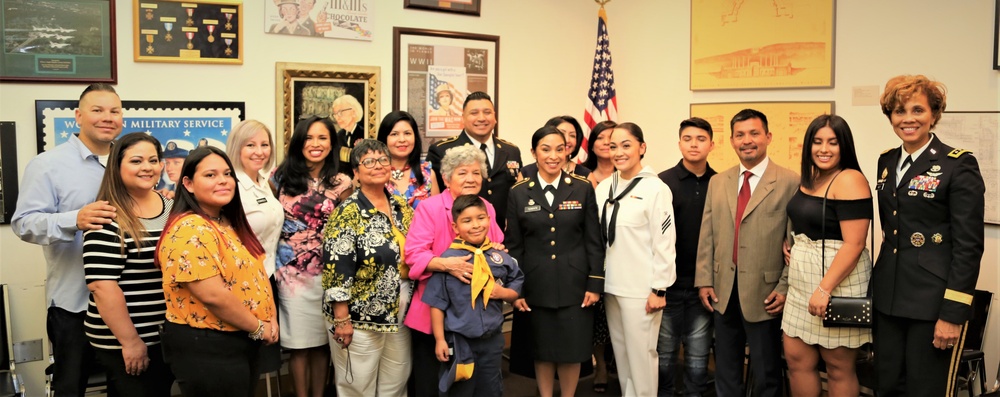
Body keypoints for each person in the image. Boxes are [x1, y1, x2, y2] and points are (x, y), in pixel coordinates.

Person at [872, 75, 985, 397]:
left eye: (917, 110)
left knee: (925, 390)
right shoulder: (886, 161)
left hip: (930, 303)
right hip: (888, 298)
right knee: (887, 385)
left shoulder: (957, 165)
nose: (908, 119)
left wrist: (952, 314)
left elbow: (968, 247)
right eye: (899, 111)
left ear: (934, 114)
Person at [12, 83, 122, 397]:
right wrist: (74, 219)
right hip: (74, 304)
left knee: (128, 385)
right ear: (78, 116)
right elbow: (23, 223)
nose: (107, 117)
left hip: (125, 302)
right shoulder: (48, 165)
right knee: (70, 387)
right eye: (97, 110)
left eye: (114, 111)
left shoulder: (130, 163)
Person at [155, 146, 278, 397]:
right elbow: (213, 295)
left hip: (241, 339)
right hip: (209, 345)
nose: (222, 180)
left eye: (227, 174)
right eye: (210, 175)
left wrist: (270, 318)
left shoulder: (226, 222)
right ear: (188, 184)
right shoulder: (190, 228)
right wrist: (258, 327)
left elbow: (258, 274)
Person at [695, 109, 799, 397]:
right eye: (740, 135)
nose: (747, 140)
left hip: (766, 292)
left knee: (766, 373)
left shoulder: (789, 181)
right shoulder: (719, 182)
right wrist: (704, 279)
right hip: (723, 291)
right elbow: (708, 235)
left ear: (768, 137)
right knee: (726, 369)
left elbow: (795, 243)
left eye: (754, 133)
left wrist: (785, 286)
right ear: (731, 141)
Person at [507, 126, 605, 397]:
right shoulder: (518, 192)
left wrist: (595, 283)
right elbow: (515, 246)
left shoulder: (583, 188)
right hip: (536, 283)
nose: (553, 156)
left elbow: (593, 240)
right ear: (533, 153)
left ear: (568, 151)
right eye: (545, 149)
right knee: (543, 349)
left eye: (559, 149)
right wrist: (517, 290)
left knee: (572, 350)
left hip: (576, 283)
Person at [781, 114, 873, 397]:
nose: (824, 149)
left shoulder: (850, 179)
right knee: (797, 360)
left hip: (836, 283)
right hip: (800, 285)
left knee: (837, 367)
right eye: (817, 142)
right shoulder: (812, 177)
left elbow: (855, 244)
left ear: (844, 146)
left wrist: (824, 289)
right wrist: (793, 242)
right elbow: (806, 218)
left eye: (833, 142)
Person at [403, 144, 505, 397]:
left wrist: (498, 252)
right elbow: (413, 254)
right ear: (447, 179)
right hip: (436, 314)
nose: (471, 178)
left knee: (477, 386)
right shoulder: (430, 208)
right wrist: (448, 265)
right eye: (462, 173)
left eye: (476, 173)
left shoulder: (487, 207)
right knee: (434, 385)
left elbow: (496, 246)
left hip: (475, 315)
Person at [83, 133, 174, 396]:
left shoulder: (173, 206)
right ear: (117, 166)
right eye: (136, 160)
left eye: (153, 160)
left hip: (164, 334)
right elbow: (102, 286)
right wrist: (131, 342)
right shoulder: (106, 216)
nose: (147, 167)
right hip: (125, 338)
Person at [322, 140, 414, 396]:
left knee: (396, 379)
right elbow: (335, 270)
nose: (378, 166)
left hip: (401, 312)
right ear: (356, 172)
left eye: (383, 160)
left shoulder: (401, 206)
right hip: (359, 317)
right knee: (357, 386)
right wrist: (342, 319)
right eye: (369, 162)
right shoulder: (347, 212)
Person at [271, 116, 352, 397]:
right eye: (308, 138)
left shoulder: (343, 182)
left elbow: (346, 229)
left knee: (322, 344)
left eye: (322, 138)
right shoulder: (278, 177)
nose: (315, 144)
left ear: (332, 144)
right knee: (298, 345)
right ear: (298, 142)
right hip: (291, 274)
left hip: (330, 272)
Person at [595, 122, 676, 397]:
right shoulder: (604, 187)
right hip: (612, 286)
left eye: (626, 145)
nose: (618, 152)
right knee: (622, 354)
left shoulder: (656, 189)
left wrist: (659, 288)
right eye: (613, 146)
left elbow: (664, 243)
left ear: (642, 148)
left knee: (642, 356)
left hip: (642, 289)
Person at [424, 194, 524, 397]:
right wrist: (440, 339)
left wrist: (503, 293)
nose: (476, 225)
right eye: (467, 221)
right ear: (455, 227)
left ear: (489, 219)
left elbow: (517, 282)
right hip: (460, 341)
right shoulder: (448, 261)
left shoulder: (499, 256)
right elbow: (437, 303)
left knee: (491, 387)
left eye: (481, 218)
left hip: (492, 339)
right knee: (461, 389)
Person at [656, 117, 717, 397]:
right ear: (679, 143)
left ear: (712, 145)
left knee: (697, 357)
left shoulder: (721, 183)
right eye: (688, 139)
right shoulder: (662, 183)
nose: (694, 144)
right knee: (665, 355)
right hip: (667, 284)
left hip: (703, 286)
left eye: (701, 139)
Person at [225, 120, 284, 375]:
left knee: (261, 362)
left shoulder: (265, 182)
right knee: (241, 362)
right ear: (237, 148)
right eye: (250, 145)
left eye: (264, 144)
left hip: (267, 279)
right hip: (241, 286)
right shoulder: (230, 185)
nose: (259, 151)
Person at [426, 91, 521, 230]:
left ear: (495, 117)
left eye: (487, 112)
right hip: (458, 236)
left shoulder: (511, 151)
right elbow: (436, 198)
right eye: (474, 113)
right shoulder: (442, 151)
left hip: (504, 236)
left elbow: (518, 194)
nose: (481, 118)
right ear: (462, 118)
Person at [581, 119, 617, 391]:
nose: (606, 142)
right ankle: (601, 365)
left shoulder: (632, 175)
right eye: (600, 137)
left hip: (624, 255)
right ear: (591, 144)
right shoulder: (582, 179)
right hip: (591, 255)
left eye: (612, 137)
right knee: (598, 316)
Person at [377, 110, 439, 208]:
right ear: (384, 138)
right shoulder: (373, 172)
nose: (402, 139)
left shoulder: (427, 174)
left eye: (407, 133)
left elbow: (437, 215)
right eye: (394, 134)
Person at [520, 116, 592, 179]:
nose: (567, 140)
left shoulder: (586, 175)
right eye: (561, 133)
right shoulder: (526, 173)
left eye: (572, 135)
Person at [332, 94, 366, 168]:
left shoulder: (364, 133)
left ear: (353, 112)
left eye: (340, 113)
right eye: (335, 114)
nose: (337, 118)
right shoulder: (339, 135)